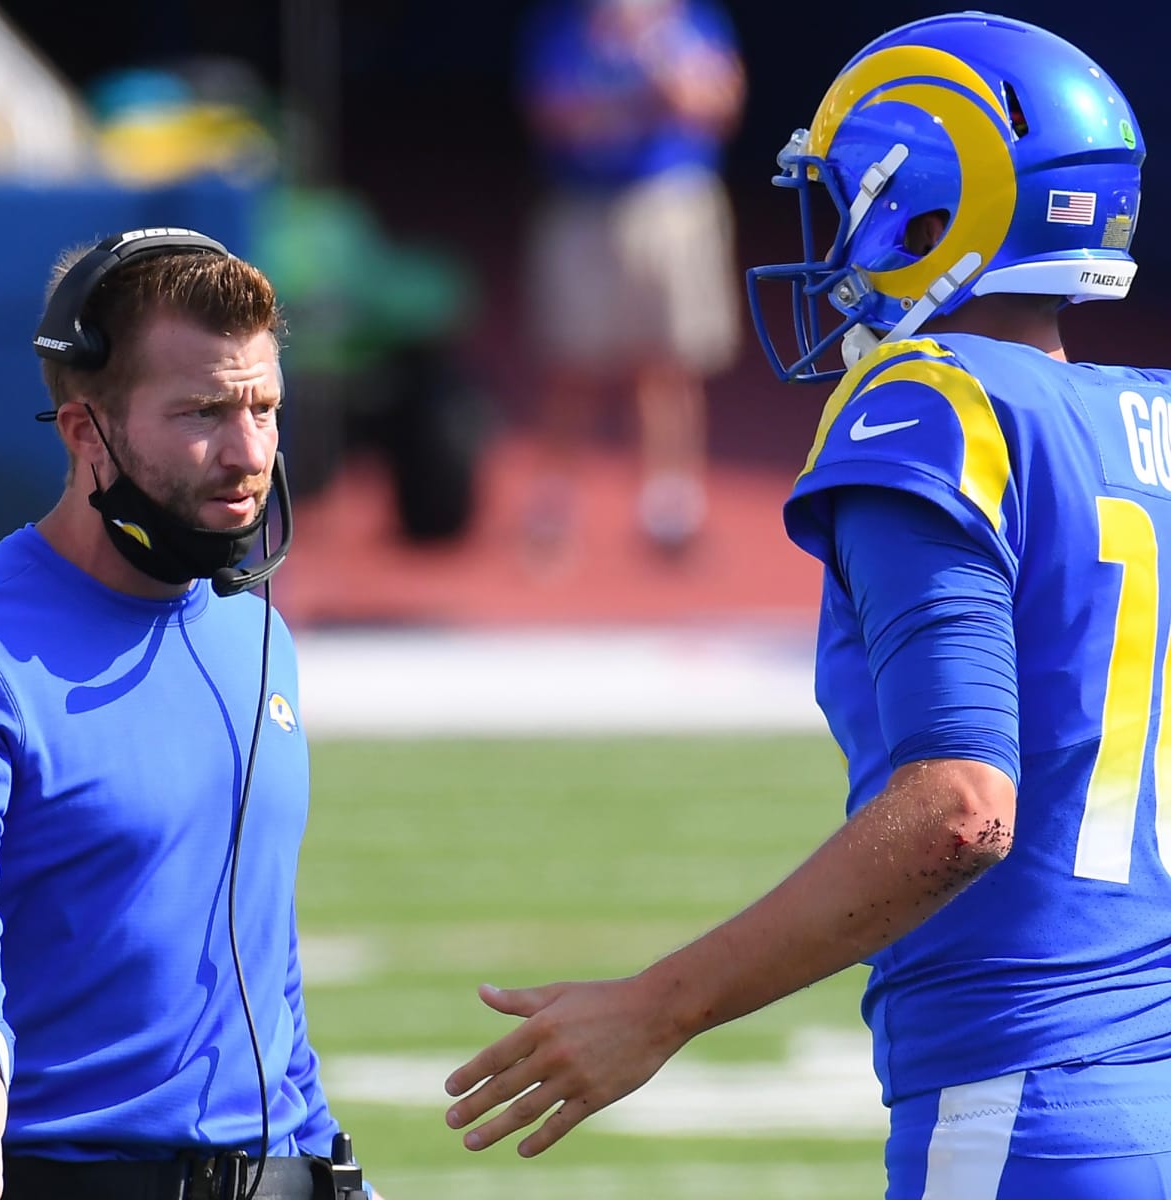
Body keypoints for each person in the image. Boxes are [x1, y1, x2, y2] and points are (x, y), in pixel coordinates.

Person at [445, 13, 1171, 1198]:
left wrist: (657, 1008)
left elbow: (960, 809)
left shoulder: (938, 404)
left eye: (848, 201)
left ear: (931, 214)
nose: (833, 241)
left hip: (1028, 1099)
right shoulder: (1150, 420)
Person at [0, 229, 378, 1200]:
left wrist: (333, 1167)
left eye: (264, 407)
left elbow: (264, 972)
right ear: (84, 432)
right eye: (202, 411)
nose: (248, 454)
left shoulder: (258, 636)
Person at [517, 0, 745, 558]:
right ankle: (554, 502)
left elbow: (716, 102)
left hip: (671, 202)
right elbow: (554, 115)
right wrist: (629, 95)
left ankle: (671, 509)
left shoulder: (691, 23)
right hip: (586, 206)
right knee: (572, 366)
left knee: (669, 364)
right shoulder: (568, 27)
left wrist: (657, 57)